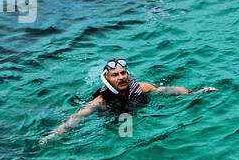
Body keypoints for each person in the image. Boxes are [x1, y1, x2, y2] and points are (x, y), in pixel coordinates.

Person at [39, 58, 215, 143]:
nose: (121, 77)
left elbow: (168, 90)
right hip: (113, 118)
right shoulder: (101, 100)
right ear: (107, 79)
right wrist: (53, 135)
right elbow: (76, 118)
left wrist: (195, 93)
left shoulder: (142, 87)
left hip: (134, 113)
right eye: (115, 75)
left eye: (123, 73)